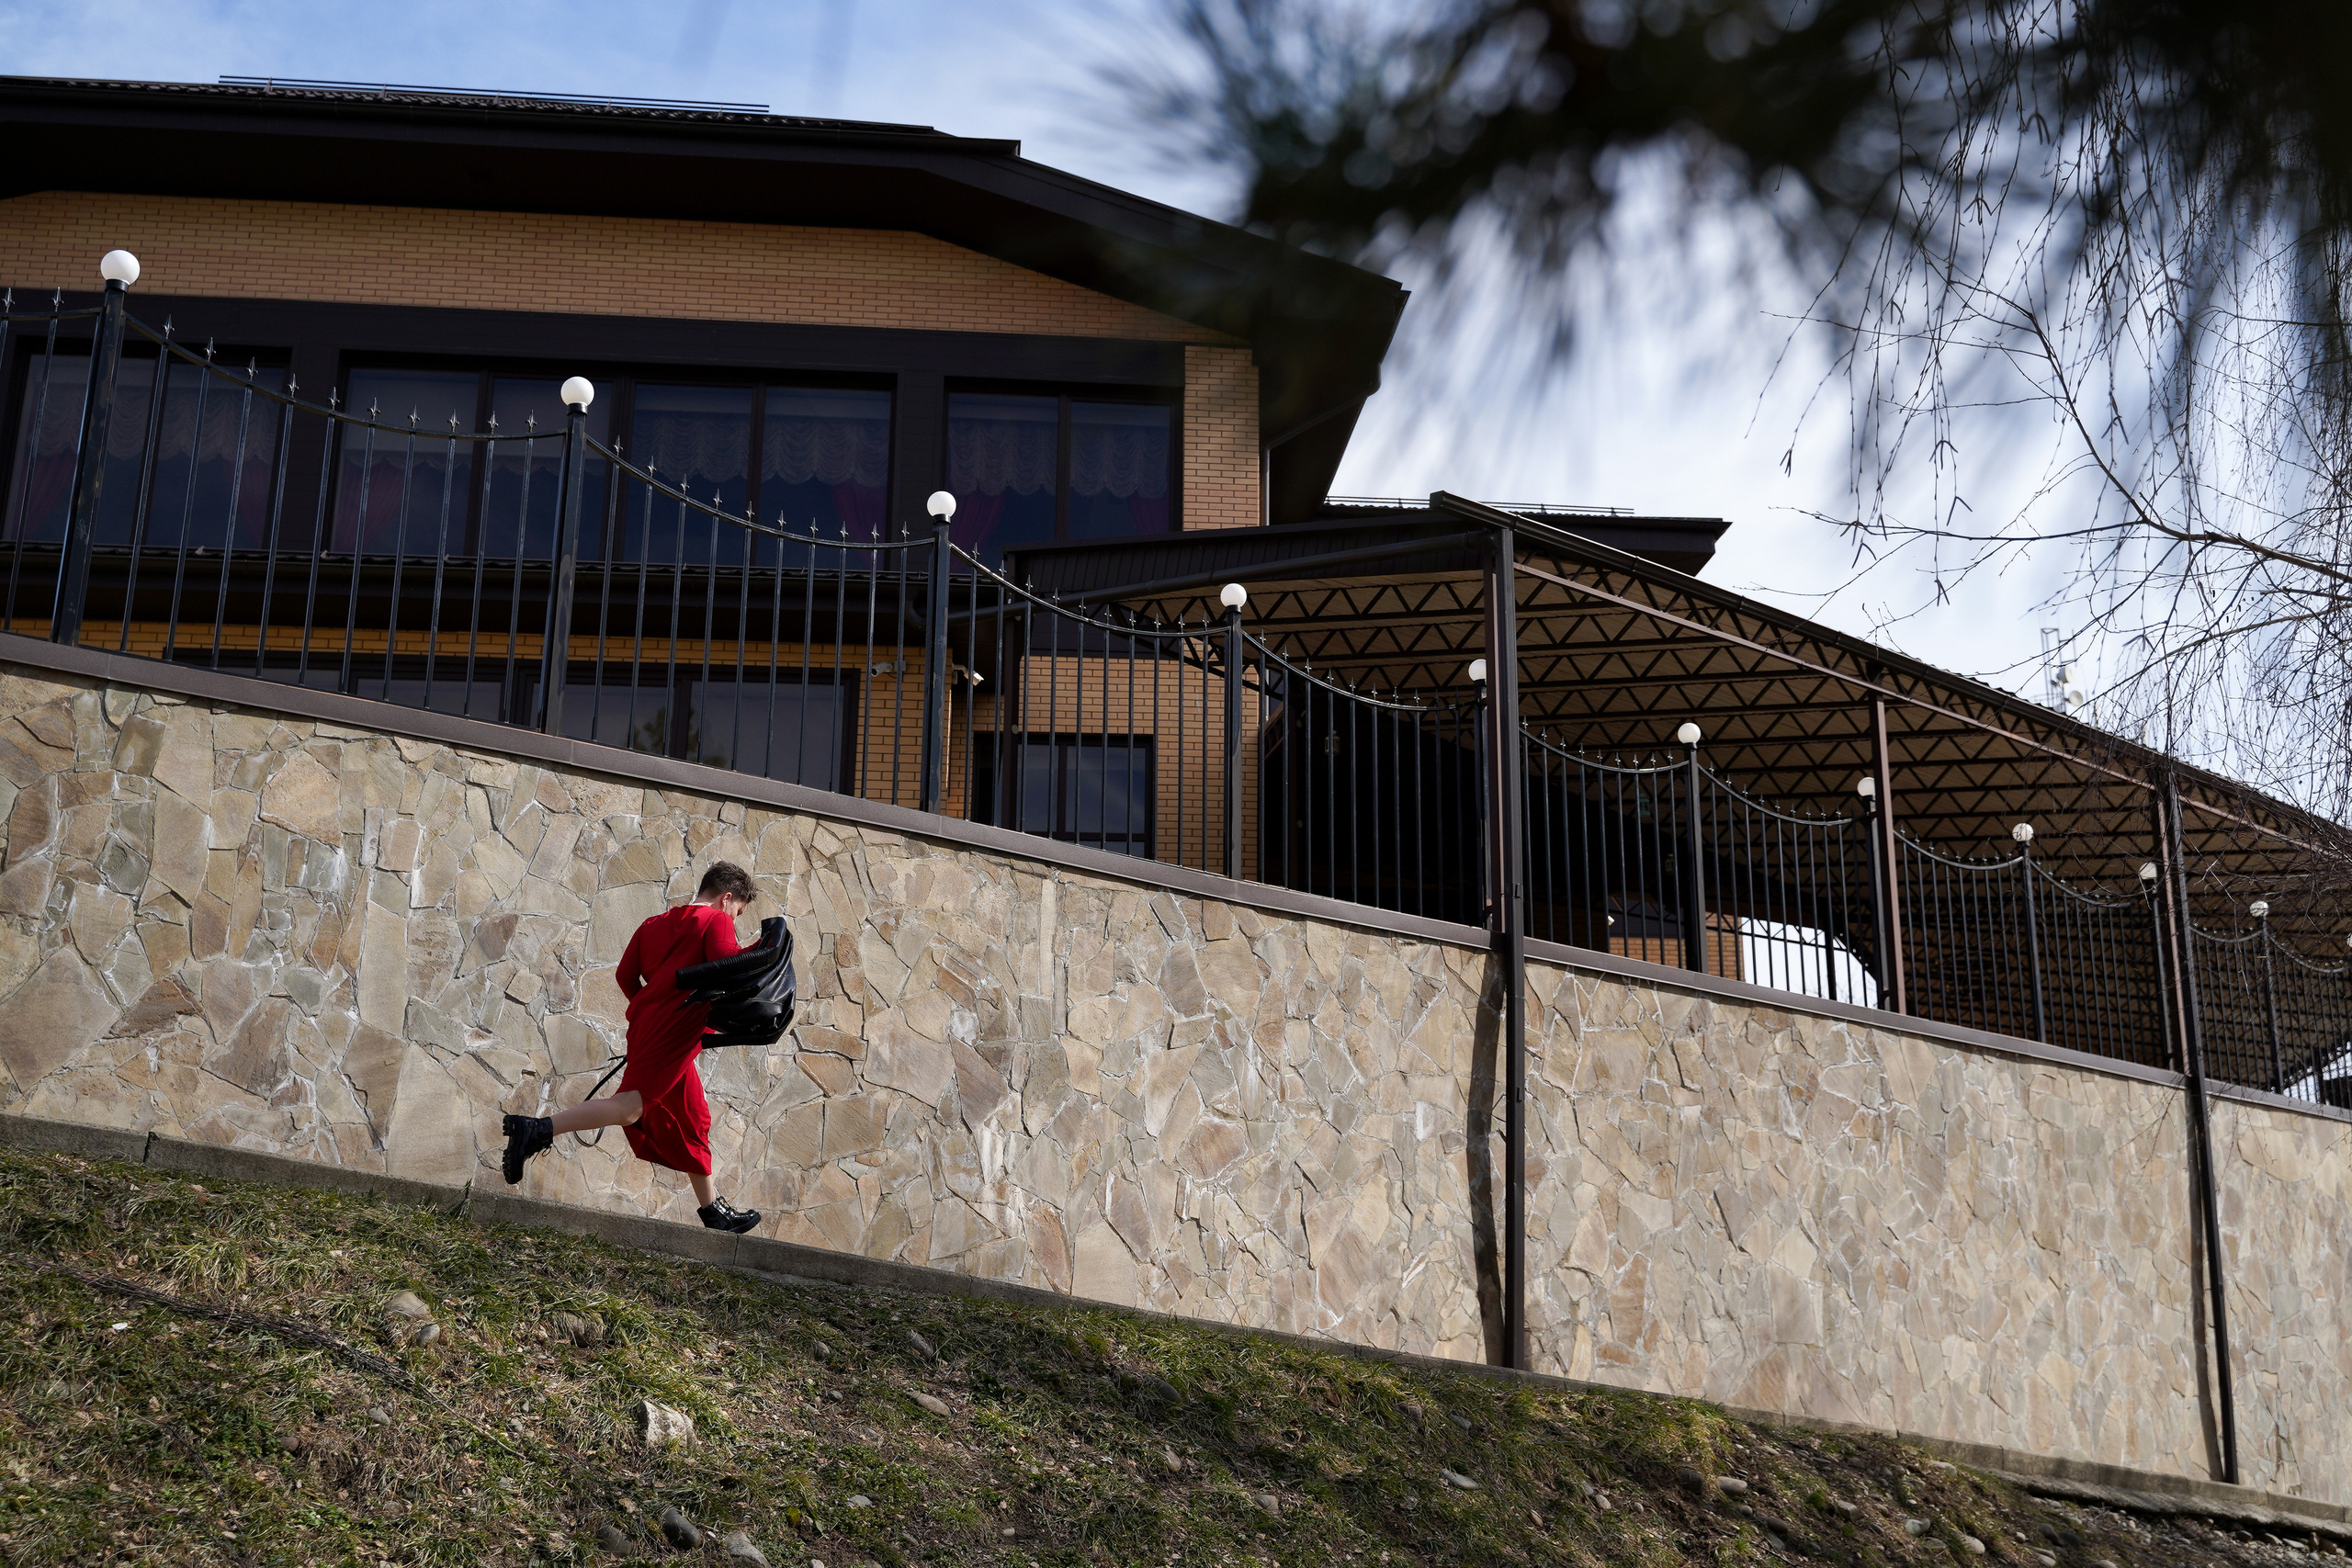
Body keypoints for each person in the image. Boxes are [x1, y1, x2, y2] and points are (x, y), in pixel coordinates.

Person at [500, 860, 765, 1233]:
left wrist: (650, 1007)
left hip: (653, 1026)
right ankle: (537, 1129)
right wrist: (759, 950)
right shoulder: (716, 921)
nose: (734, 920)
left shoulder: (652, 924)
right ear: (726, 899)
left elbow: (626, 975)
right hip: (675, 1029)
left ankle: (713, 1212)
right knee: (629, 1108)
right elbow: (727, 964)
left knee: (694, 1116)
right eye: (738, 912)